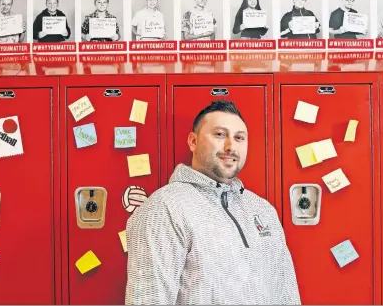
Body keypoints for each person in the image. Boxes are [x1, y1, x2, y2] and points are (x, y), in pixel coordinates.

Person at [125, 100, 301, 305]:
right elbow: (148, 299)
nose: (230, 146)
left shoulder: (262, 210)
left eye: (239, 138)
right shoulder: (164, 208)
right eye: (220, 134)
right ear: (193, 141)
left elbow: (287, 294)